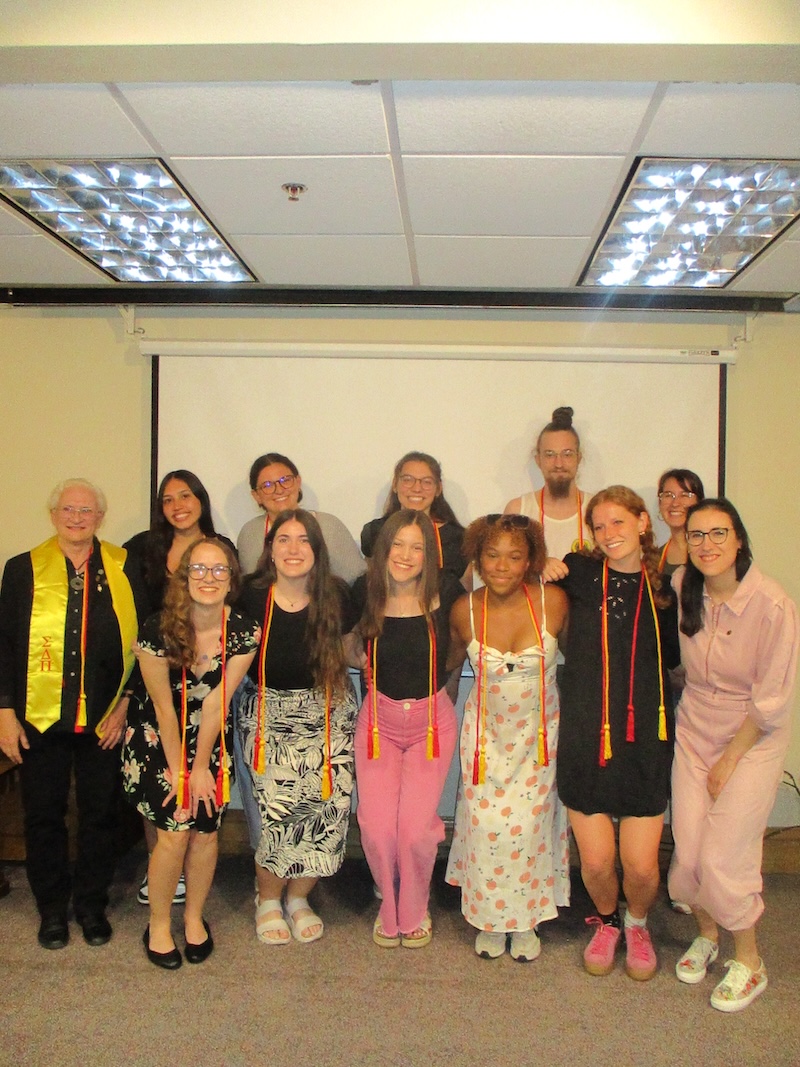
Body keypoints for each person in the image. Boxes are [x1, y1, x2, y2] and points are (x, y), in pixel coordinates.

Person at [0, 479, 142, 950]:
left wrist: (126, 703)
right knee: (43, 814)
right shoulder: (22, 569)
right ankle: (52, 910)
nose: (77, 517)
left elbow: (144, 645)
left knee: (101, 814)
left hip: (105, 717)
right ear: (53, 513)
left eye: (86, 510)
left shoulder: (124, 569)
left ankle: (91, 904)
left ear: (100, 518)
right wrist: (3, 711)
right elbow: (3, 644)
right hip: (40, 719)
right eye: (68, 508)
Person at [669, 499, 798, 1013]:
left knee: (726, 856)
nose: (707, 545)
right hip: (695, 723)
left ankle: (751, 962)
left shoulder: (772, 604)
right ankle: (709, 937)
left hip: (753, 733)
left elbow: (771, 699)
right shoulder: (684, 585)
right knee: (691, 847)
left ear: (739, 538)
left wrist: (729, 760)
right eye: (697, 535)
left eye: (718, 533)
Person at [547, 486, 679, 981]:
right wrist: (544, 567)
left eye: (618, 523)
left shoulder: (666, 590)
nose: (608, 534)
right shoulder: (579, 574)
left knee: (642, 867)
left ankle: (638, 921)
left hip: (647, 734)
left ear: (643, 523)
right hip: (586, 731)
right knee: (599, 862)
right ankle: (606, 922)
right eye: (599, 526)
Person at [123, 538, 258, 968]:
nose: (208, 579)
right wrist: (183, 774)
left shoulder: (244, 630)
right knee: (175, 831)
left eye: (219, 570)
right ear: (184, 578)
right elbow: (164, 707)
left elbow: (218, 702)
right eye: (198, 570)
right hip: (157, 741)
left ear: (231, 580)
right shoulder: (156, 628)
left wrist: (201, 768)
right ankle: (159, 924)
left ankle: (195, 918)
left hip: (210, 740)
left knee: (207, 831)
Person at [445, 514, 570, 961]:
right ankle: (488, 919)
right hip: (485, 739)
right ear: (477, 559)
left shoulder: (554, 601)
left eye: (514, 556)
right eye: (492, 555)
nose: (502, 565)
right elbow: (450, 673)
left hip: (540, 737)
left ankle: (527, 919)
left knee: (533, 827)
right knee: (486, 827)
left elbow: (584, 664)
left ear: (530, 560)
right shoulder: (465, 609)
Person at [236, 509, 358, 944]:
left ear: (317, 550)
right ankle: (268, 898)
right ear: (270, 550)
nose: (293, 548)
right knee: (278, 813)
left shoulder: (338, 596)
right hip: (269, 716)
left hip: (327, 715)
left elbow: (350, 651)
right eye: (283, 539)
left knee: (326, 811)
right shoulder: (249, 597)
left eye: (303, 540)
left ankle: (300, 897)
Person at [124, 469, 236, 906]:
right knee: (163, 795)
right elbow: (134, 620)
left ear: (201, 500)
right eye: (167, 500)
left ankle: (189, 875)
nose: (177, 506)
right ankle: (161, 869)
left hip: (207, 684)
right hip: (153, 685)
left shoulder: (221, 548)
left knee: (201, 802)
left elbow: (231, 620)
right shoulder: (144, 549)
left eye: (185, 496)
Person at [352, 510, 461, 949]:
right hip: (377, 721)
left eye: (417, 547)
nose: (406, 554)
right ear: (383, 549)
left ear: (430, 554)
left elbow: (459, 648)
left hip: (431, 724)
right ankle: (388, 904)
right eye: (398, 544)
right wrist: (354, 656)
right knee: (377, 829)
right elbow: (341, 639)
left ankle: (413, 909)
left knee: (416, 830)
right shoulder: (364, 591)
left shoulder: (448, 591)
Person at [237, 452, 365, 581]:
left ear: (298, 482)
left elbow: (355, 580)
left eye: (285, 480)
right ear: (256, 496)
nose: (279, 490)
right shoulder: (250, 533)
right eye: (268, 485)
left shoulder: (328, 526)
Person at [361, 452, 467, 587]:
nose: (417, 488)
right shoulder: (375, 531)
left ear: (438, 488)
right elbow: (372, 584)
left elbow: (464, 596)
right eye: (408, 480)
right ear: (395, 484)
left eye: (427, 482)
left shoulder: (459, 539)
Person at [504, 405, 592, 559]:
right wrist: (539, 566)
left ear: (578, 458)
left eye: (567, 454)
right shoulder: (519, 511)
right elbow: (508, 567)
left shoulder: (596, 509)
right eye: (550, 454)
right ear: (538, 460)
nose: (559, 463)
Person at [656, 468, 705, 575]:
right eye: (668, 495)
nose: (675, 503)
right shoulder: (654, 559)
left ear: (699, 503)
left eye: (684, 495)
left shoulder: (709, 551)